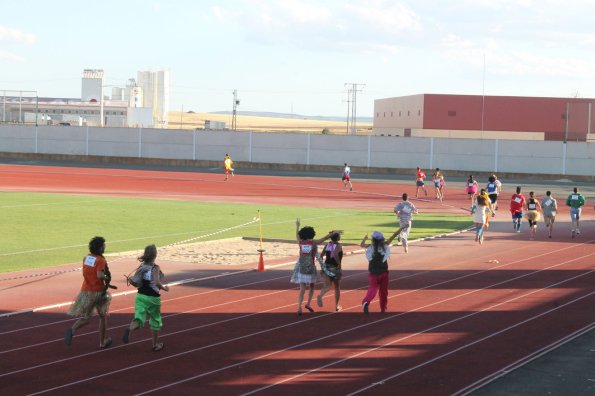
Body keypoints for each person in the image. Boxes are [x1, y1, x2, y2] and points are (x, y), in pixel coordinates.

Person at [64, 236, 113, 349]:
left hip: (86, 291)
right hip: (98, 292)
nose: (105, 247)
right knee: (102, 316)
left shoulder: (86, 258)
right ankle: (102, 342)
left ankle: (72, 329)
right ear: (100, 248)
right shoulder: (100, 260)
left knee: (86, 318)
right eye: (103, 245)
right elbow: (99, 275)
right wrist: (106, 278)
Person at [122, 244, 170, 352]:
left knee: (139, 319)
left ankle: (130, 328)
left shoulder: (141, 267)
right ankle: (155, 345)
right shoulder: (155, 267)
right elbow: (157, 282)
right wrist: (165, 288)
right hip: (153, 298)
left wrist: (130, 280)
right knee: (155, 320)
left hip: (140, 297)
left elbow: (135, 282)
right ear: (155, 255)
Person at [360, 226, 407, 314]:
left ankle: (366, 302)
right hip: (384, 273)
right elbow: (394, 235)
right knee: (383, 292)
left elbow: (362, 245)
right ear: (382, 239)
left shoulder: (370, 247)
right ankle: (383, 308)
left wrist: (365, 238)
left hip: (373, 273)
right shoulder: (385, 245)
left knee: (372, 289)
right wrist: (402, 228)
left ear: (373, 239)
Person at [291, 219, 334, 315]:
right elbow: (324, 239)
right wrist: (332, 234)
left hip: (302, 267)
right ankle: (308, 303)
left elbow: (297, 236)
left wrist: (297, 226)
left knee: (302, 288)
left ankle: (299, 307)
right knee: (312, 286)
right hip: (310, 267)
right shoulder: (313, 243)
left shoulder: (301, 243)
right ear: (311, 234)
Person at [316, 231, 344, 312]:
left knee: (327, 286)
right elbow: (335, 254)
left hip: (326, 267)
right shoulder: (338, 245)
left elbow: (321, 256)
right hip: (334, 268)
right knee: (337, 287)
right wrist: (339, 265)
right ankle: (337, 305)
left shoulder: (327, 245)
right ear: (338, 238)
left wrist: (322, 267)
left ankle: (320, 295)